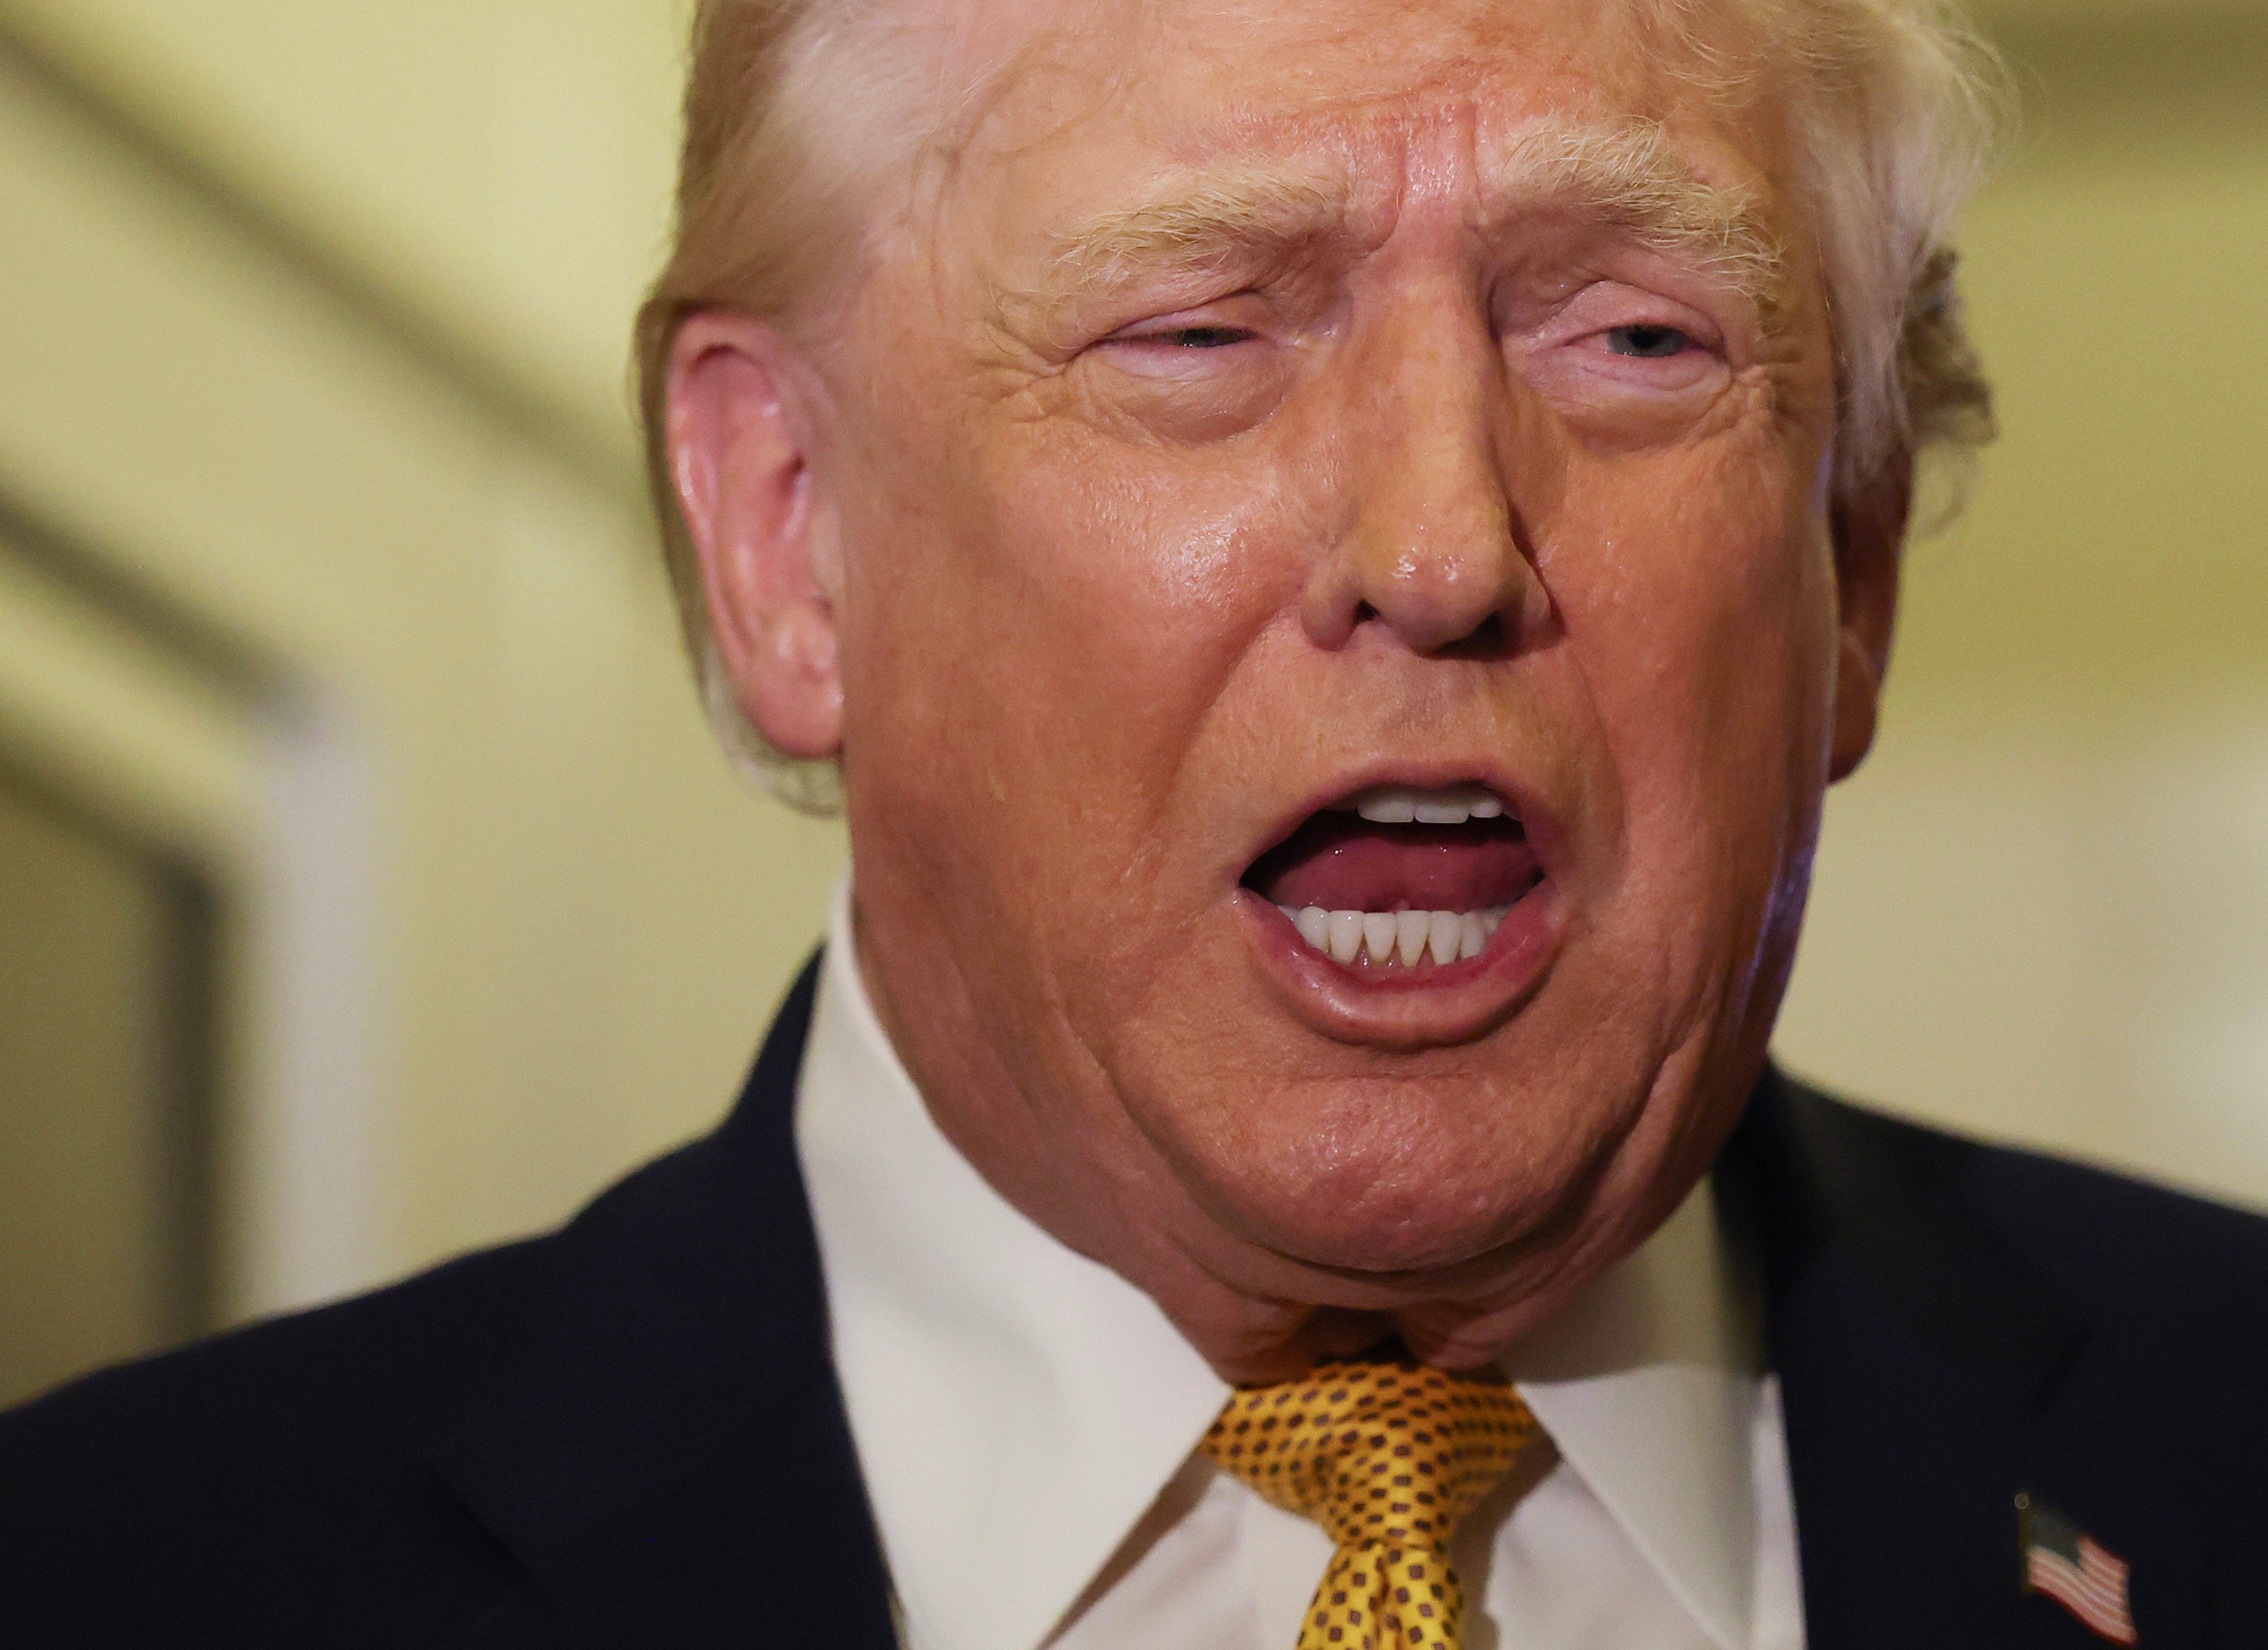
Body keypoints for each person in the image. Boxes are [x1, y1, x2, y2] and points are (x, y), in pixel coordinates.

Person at [5, 0, 2265, 1644]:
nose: (1445, 542)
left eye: (1637, 339)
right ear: (789, 538)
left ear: (1852, 564)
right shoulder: (118, 1578)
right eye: (1202, 330)